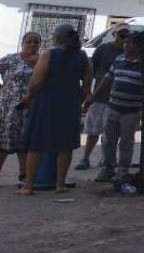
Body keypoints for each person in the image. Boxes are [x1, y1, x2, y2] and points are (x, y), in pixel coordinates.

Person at [17, 23, 91, 196]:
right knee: (64, 146)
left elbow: (35, 82)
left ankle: (28, 186)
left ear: (56, 38)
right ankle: (60, 184)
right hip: (70, 104)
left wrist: (29, 96)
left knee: (36, 144)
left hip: (46, 103)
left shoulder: (48, 54)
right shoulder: (83, 57)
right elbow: (87, 88)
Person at [92, 30, 144, 185]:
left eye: (130, 42)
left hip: (131, 111)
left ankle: (122, 171)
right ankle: (108, 169)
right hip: (113, 107)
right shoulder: (118, 60)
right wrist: (93, 97)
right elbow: (107, 80)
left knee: (126, 142)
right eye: (125, 42)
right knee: (107, 141)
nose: (126, 45)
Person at [77, 25, 129, 171]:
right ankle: (85, 158)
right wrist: (88, 93)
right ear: (114, 34)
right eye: (121, 35)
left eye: (127, 36)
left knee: (111, 134)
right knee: (93, 130)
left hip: (117, 99)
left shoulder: (128, 52)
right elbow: (92, 71)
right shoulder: (103, 49)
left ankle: (105, 160)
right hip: (100, 96)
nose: (124, 38)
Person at [0, 31, 42, 185]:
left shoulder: (42, 61)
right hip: (7, 107)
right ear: (22, 43)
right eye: (29, 41)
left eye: (36, 42)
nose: (32, 45)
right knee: (3, 143)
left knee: (25, 143)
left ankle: (23, 176)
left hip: (29, 107)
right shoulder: (11, 59)